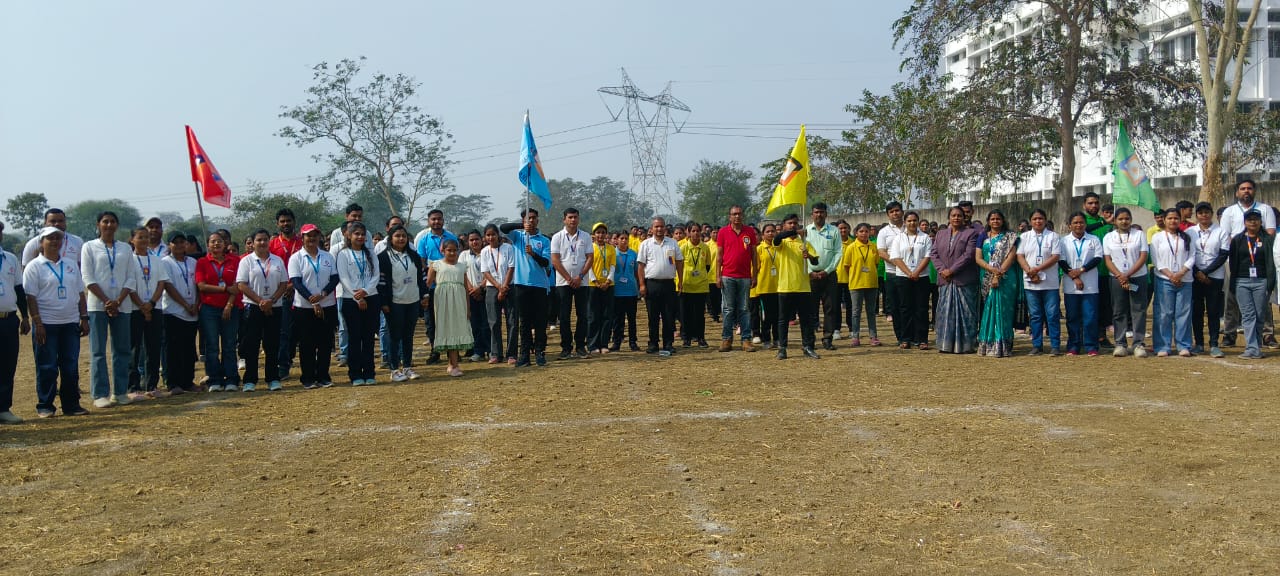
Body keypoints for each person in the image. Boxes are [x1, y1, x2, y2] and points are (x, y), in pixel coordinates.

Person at [24, 227, 90, 418]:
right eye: (50, 238)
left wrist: (84, 317)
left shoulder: (70, 264)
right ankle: (45, 405)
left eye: (58, 238)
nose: (54, 241)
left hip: (70, 323)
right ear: (41, 242)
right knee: (47, 366)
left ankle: (71, 405)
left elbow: (80, 293)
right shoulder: (34, 266)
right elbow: (30, 297)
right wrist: (38, 323)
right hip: (47, 323)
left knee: (70, 366)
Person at [82, 211, 138, 408]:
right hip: (97, 305)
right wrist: (107, 301)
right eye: (105, 221)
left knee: (122, 350)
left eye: (113, 221)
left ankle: (120, 392)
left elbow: (131, 277)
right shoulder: (89, 247)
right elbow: (88, 277)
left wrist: (118, 300)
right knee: (98, 350)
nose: (109, 224)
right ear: (98, 224)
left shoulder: (125, 248)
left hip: (123, 305)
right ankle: (100, 394)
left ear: (117, 225)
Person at [1221, 179, 1276, 347]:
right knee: (1231, 297)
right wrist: (1241, 244)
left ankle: (1267, 333)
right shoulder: (1230, 211)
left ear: (1254, 191)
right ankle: (1229, 333)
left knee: (1263, 298)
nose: (1246, 191)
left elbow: (1270, 232)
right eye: (1243, 188)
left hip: (1260, 258)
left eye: (1249, 188)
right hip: (1235, 259)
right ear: (1237, 192)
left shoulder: (1265, 209)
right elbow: (1225, 235)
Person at [236, 229, 290, 391]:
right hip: (253, 306)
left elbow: (283, 283)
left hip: (274, 306)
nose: (262, 242)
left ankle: (272, 378)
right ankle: (250, 380)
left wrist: (271, 301)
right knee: (252, 344)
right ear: (252, 243)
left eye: (265, 239)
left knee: (272, 344)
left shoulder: (277, 260)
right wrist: (260, 301)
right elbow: (241, 284)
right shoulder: (246, 261)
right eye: (258, 240)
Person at [289, 224, 340, 389]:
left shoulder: (327, 257)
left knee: (325, 343)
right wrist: (313, 301)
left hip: (327, 304)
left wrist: (323, 294)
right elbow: (296, 282)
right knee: (307, 344)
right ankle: (308, 377)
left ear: (319, 237)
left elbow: (335, 278)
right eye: (308, 236)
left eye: (315, 235)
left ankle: (323, 376)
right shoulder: (296, 258)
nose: (312, 238)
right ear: (302, 238)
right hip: (304, 307)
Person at [501, 209, 551, 367]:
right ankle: (524, 355)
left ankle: (540, 352)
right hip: (521, 284)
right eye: (528, 218)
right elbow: (503, 228)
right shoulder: (518, 236)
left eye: (534, 218)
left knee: (540, 321)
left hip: (540, 285)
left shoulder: (544, 240)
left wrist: (534, 254)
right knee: (524, 322)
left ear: (538, 220)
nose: (531, 221)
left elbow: (546, 263)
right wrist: (521, 226)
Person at [377, 224, 427, 381]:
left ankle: (407, 367)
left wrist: (424, 295)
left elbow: (421, 277)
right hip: (394, 302)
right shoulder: (383, 257)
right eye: (397, 236)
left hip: (412, 300)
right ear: (390, 238)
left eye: (403, 236)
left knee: (408, 335)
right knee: (395, 336)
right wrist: (384, 302)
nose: (401, 239)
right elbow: (381, 282)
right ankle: (394, 370)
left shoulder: (414, 256)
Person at [931, 206, 982, 354]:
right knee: (944, 313)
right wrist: (942, 270)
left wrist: (951, 270)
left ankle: (966, 345)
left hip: (963, 280)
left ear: (964, 217)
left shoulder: (971, 233)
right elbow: (934, 253)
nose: (956, 218)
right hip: (945, 280)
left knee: (966, 313)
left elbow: (968, 255)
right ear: (949, 217)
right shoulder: (941, 234)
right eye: (953, 215)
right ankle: (945, 344)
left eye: (959, 215)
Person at [126, 227, 168, 400]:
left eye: (146, 237)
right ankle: (133, 386)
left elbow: (161, 283)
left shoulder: (156, 260)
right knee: (134, 349)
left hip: (154, 308)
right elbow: (128, 286)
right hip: (134, 309)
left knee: (153, 348)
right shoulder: (129, 260)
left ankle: (152, 385)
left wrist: (151, 304)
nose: (144, 240)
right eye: (140, 237)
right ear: (132, 240)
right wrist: (142, 306)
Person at [196, 232, 241, 391]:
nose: (216, 244)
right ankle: (214, 379)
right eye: (213, 241)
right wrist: (224, 289)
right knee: (212, 345)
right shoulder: (202, 262)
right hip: (209, 309)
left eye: (219, 241)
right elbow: (201, 286)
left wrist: (229, 305)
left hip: (230, 308)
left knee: (229, 345)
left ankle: (231, 378)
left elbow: (236, 286)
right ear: (208, 245)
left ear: (225, 244)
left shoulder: (235, 261)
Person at [336, 221, 381, 385]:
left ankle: (369, 373)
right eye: (356, 234)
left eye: (362, 234)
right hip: (351, 299)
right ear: (349, 235)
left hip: (371, 297)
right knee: (354, 338)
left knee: (368, 338)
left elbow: (376, 275)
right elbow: (343, 277)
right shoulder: (343, 254)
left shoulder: (371, 253)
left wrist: (366, 291)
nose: (360, 237)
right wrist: (358, 296)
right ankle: (355, 374)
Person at [1102, 208, 1150, 358]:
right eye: (1120, 219)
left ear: (1131, 219)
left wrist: (1127, 274)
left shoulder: (1139, 234)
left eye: (1127, 218)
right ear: (1115, 221)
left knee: (1138, 310)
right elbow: (1107, 259)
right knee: (1119, 311)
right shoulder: (1109, 237)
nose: (1124, 221)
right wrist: (1120, 275)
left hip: (1137, 277)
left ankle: (1138, 344)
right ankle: (1120, 343)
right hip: (1117, 278)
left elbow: (1143, 256)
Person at [772, 214, 820, 359]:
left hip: (803, 287)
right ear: (784, 225)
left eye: (795, 223)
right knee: (783, 320)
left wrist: (809, 256)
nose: (793, 225)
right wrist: (795, 232)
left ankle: (807, 346)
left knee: (806, 319)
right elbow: (777, 239)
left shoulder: (804, 242)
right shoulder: (782, 242)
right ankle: (782, 348)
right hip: (785, 287)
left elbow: (816, 262)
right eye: (789, 223)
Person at [1150, 208, 1195, 357]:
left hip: (1184, 280)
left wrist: (1181, 273)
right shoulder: (1157, 237)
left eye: (1176, 218)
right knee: (1164, 313)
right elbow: (1156, 259)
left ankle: (1184, 345)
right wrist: (1171, 275)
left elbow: (1192, 256)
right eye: (1169, 218)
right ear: (1164, 220)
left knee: (1183, 313)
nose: (1173, 221)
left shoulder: (1187, 237)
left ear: (1180, 220)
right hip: (1164, 280)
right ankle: (1162, 346)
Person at [1229, 209, 1275, 359]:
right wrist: (1233, 281)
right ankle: (1251, 348)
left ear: (1261, 222)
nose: (1253, 222)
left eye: (1256, 219)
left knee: (1260, 315)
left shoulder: (1268, 239)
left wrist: (1270, 282)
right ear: (1245, 222)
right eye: (1250, 219)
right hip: (1242, 281)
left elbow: (1271, 261)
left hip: (1261, 281)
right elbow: (1233, 262)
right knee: (1248, 315)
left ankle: (1256, 347)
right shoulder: (1238, 240)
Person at [975, 210, 1020, 357]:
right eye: (992, 219)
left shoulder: (1010, 237)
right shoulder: (982, 236)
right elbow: (978, 258)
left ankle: (1003, 345)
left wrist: (998, 274)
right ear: (988, 221)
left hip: (1006, 278)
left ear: (1003, 220)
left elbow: (1011, 257)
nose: (995, 221)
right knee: (988, 309)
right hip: (986, 276)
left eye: (998, 219)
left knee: (1004, 310)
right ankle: (988, 344)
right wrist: (992, 270)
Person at [550, 208, 593, 359]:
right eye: (570, 217)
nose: (573, 220)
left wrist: (579, 277)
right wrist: (569, 278)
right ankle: (566, 347)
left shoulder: (585, 236)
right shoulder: (557, 237)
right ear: (564, 219)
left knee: (583, 315)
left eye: (575, 217)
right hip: (563, 282)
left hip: (582, 282)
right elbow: (555, 260)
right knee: (564, 316)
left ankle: (580, 346)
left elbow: (590, 258)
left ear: (578, 219)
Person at [1059, 212, 1104, 356]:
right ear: (1069, 225)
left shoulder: (1093, 240)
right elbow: (1061, 261)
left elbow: (1098, 258)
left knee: (1090, 317)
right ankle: (1073, 346)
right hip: (1071, 285)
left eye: (1081, 222)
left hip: (1090, 285)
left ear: (1085, 224)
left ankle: (1091, 346)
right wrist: (1074, 277)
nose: (1078, 225)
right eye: (1075, 222)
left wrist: (1081, 270)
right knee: (1072, 317)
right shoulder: (1064, 241)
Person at [426, 239, 474, 376]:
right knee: (447, 328)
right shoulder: (436, 265)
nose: (452, 253)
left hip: (459, 301)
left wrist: (468, 308)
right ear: (443, 251)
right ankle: (453, 364)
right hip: (443, 302)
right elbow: (428, 284)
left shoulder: (462, 266)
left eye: (454, 250)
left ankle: (453, 364)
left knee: (457, 329)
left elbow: (466, 288)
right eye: (449, 250)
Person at [417, 209, 459, 365]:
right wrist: (431, 275)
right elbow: (421, 260)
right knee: (431, 321)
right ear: (429, 221)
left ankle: (451, 351)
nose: (436, 222)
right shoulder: (424, 239)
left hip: (449, 285)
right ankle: (434, 351)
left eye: (439, 219)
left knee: (449, 319)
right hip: (431, 285)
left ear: (443, 220)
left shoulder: (451, 237)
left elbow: (456, 259)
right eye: (433, 219)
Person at [1018, 209, 1062, 355]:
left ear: (1045, 220)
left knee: (1052, 315)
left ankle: (1055, 345)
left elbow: (1055, 256)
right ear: (1031, 221)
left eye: (1041, 218)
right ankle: (1037, 345)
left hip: (1050, 283)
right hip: (1031, 282)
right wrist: (1029, 271)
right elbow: (1020, 256)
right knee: (1035, 315)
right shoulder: (1024, 236)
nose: (1038, 221)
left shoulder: (1053, 236)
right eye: (1035, 219)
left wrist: (1037, 269)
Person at [160, 233, 200, 394]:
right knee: (173, 349)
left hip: (192, 312)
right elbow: (168, 286)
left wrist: (195, 304)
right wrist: (185, 304)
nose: (179, 245)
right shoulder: (165, 262)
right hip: (173, 311)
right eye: (175, 243)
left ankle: (188, 381)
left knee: (189, 348)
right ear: (169, 245)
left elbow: (198, 284)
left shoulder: (193, 262)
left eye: (182, 242)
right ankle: (173, 383)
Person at [715, 205, 758, 352]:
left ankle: (746, 339)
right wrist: (718, 276)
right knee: (728, 309)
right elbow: (719, 256)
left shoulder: (749, 231)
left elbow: (754, 255)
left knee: (744, 309)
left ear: (743, 215)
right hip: (727, 276)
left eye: (739, 214)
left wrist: (754, 275)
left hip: (745, 277)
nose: (737, 216)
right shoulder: (723, 232)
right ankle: (727, 339)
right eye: (734, 214)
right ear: (730, 216)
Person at [637, 216, 683, 357]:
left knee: (669, 316)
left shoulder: (673, 243)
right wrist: (642, 284)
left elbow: (679, 262)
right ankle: (653, 344)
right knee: (653, 316)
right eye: (656, 226)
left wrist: (680, 281)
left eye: (661, 226)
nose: (659, 229)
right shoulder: (645, 244)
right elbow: (641, 266)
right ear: (651, 229)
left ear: (665, 228)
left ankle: (668, 344)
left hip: (669, 284)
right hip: (652, 284)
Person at [1188, 202, 1229, 357]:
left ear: (1211, 214)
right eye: (1200, 213)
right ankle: (1199, 343)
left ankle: (1214, 344)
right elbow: (1187, 254)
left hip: (1215, 277)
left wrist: (1205, 272)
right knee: (1197, 311)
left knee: (1213, 311)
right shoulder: (1190, 232)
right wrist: (1198, 273)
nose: (1204, 215)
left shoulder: (1221, 231)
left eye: (1207, 212)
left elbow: (1223, 255)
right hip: (1195, 276)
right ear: (1196, 215)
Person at [0, 221, 30, 424]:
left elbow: (19, 289)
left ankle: (3, 408)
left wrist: (25, 316)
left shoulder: (10, 259)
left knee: (7, 365)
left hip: (9, 319)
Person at [889, 212, 933, 349]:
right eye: (909, 221)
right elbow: (895, 257)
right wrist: (909, 273)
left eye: (914, 220)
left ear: (918, 222)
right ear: (904, 222)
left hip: (922, 277)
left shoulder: (925, 237)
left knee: (921, 308)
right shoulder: (898, 238)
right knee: (905, 308)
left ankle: (922, 339)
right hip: (903, 277)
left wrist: (916, 272)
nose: (912, 223)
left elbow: (927, 257)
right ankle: (905, 338)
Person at [270, 208, 304, 378]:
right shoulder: (272, 244)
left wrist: (293, 286)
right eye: (282, 221)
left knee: (298, 331)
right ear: (277, 224)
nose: (286, 224)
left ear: (294, 222)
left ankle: (294, 360)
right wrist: (284, 288)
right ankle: (283, 365)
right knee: (283, 331)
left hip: (301, 292)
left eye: (288, 220)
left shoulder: (302, 242)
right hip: (281, 294)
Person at [805, 203, 842, 350]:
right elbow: (801, 253)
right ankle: (810, 340)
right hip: (810, 275)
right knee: (810, 309)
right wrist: (810, 271)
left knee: (830, 308)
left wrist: (827, 270)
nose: (819, 215)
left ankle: (828, 339)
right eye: (816, 212)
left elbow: (838, 253)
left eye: (821, 212)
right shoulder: (806, 231)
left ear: (826, 214)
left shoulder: (834, 231)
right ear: (812, 214)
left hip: (829, 275)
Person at [1082, 191, 1115, 348]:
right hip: (1087, 271)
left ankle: (1101, 336)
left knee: (1104, 306)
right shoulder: (1082, 221)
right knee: (1088, 307)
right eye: (1090, 203)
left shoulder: (1108, 223)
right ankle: (1085, 336)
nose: (1093, 205)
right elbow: (1084, 229)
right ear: (1084, 205)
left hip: (1105, 270)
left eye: (1096, 203)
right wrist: (1103, 222)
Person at [840, 223, 881, 346]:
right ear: (856, 233)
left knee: (871, 311)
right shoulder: (851, 247)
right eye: (861, 231)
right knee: (856, 311)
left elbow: (876, 263)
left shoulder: (873, 246)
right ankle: (855, 337)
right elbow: (847, 266)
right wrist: (855, 275)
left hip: (871, 283)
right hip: (856, 283)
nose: (864, 234)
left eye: (866, 231)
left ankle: (873, 336)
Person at [480, 224, 515, 364]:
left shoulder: (508, 248)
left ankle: (512, 354)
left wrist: (504, 287)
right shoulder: (484, 251)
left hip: (509, 286)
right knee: (494, 321)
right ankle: (495, 353)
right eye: (488, 235)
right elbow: (485, 272)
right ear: (485, 237)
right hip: (492, 288)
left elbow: (511, 268)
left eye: (493, 234)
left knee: (512, 321)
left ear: (498, 235)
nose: (491, 237)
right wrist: (498, 287)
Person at [584, 223, 615, 354]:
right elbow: (588, 266)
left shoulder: (611, 248)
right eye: (598, 232)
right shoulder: (590, 248)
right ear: (593, 235)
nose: (600, 235)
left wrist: (607, 281)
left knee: (607, 316)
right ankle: (592, 345)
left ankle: (604, 343)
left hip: (608, 285)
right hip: (593, 286)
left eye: (603, 232)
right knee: (593, 315)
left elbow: (612, 266)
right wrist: (596, 282)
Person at [459, 230, 489, 362]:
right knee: (475, 324)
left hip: (487, 291)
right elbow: (462, 273)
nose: (474, 242)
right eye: (471, 240)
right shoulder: (464, 255)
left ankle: (490, 350)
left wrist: (480, 288)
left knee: (487, 323)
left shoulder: (487, 252)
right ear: (468, 242)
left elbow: (492, 272)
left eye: (477, 239)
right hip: (470, 294)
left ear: (482, 239)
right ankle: (478, 351)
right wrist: (472, 289)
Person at [877, 202, 905, 331]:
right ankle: (900, 336)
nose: (895, 213)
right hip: (892, 273)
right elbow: (881, 252)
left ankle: (912, 335)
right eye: (892, 212)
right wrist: (898, 263)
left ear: (902, 212)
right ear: (888, 215)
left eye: (897, 210)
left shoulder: (910, 227)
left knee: (909, 305)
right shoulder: (884, 232)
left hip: (910, 273)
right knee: (895, 306)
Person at [610, 231, 639, 352]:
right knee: (618, 319)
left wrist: (639, 286)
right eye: (621, 238)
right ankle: (616, 342)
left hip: (631, 291)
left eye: (626, 238)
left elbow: (637, 272)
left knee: (632, 319)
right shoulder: (613, 253)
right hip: (617, 291)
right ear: (617, 240)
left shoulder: (633, 254)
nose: (624, 241)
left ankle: (633, 342)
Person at [751, 223, 779, 349]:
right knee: (766, 316)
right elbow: (755, 269)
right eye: (768, 231)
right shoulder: (759, 249)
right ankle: (766, 339)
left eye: (773, 231)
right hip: (765, 287)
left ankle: (777, 338)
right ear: (763, 235)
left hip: (779, 287)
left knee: (777, 316)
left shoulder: (780, 247)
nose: (771, 233)